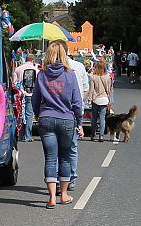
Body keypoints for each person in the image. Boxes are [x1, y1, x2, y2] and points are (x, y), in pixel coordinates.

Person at [31, 41, 84, 208]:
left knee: (50, 159)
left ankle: (52, 197)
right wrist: (80, 122)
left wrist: (39, 115)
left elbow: (35, 99)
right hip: (66, 119)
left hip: (46, 118)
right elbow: (77, 101)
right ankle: (65, 194)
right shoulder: (70, 74)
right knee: (65, 158)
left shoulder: (42, 75)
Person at [66, 49, 90, 189]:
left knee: (57, 150)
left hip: (55, 112)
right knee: (72, 148)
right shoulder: (79, 67)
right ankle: (72, 179)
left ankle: (58, 180)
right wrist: (81, 103)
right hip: (75, 112)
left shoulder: (49, 67)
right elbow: (86, 89)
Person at [13, 54, 38, 142]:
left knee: (20, 114)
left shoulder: (18, 69)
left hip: (20, 95)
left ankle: (20, 135)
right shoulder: (36, 70)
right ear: (33, 60)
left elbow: (14, 82)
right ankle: (28, 136)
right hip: (31, 94)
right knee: (29, 115)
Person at [88, 61, 113, 142]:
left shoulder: (93, 77)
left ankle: (93, 135)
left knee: (94, 118)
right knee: (102, 118)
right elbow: (109, 91)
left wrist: (90, 100)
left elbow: (91, 90)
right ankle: (101, 136)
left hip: (95, 100)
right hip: (104, 99)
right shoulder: (108, 77)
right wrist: (109, 100)